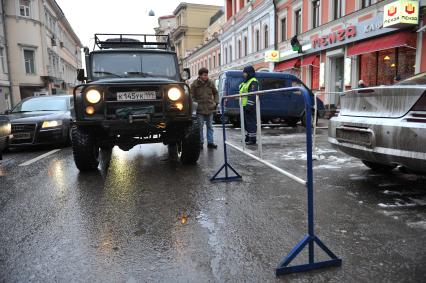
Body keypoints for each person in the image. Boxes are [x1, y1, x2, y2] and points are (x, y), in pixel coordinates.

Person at [190, 68, 219, 149]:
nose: (206, 76)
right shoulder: (194, 84)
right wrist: (195, 104)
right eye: (204, 75)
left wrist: (216, 102)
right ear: (200, 75)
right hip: (200, 109)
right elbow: (191, 96)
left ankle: (210, 142)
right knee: (200, 127)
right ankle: (200, 143)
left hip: (210, 108)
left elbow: (216, 93)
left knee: (210, 126)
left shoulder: (211, 83)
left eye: (207, 75)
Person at [239, 65, 259, 145]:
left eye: (245, 73)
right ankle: (247, 137)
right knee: (246, 123)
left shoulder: (253, 81)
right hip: (244, 105)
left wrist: (249, 106)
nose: (244, 74)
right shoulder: (246, 82)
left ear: (249, 73)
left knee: (251, 122)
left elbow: (252, 95)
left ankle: (252, 139)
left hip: (250, 106)